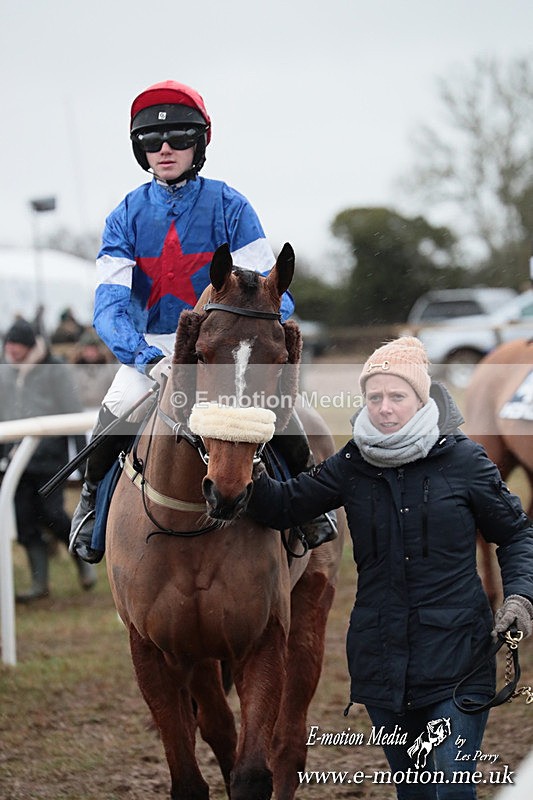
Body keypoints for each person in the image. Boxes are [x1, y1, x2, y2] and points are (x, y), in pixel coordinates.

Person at [246, 336, 533, 799]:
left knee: (452, 789)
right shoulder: (352, 464)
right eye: (374, 396)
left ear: (421, 399)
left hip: (459, 656)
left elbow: (516, 533)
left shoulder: (465, 461)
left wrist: (519, 595)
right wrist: (245, 459)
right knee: (412, 792)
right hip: (381, 662)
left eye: (397, 396)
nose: (384, 407)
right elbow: (284, 506)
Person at [70, 79, 333, 564]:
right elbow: (108, 308)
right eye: (152, 140)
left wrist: (251, 339)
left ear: (200, 144)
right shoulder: (124, 215)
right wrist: (145, 358)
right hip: (151, 349)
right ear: (140, 149)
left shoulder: (231, 205)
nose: (165, 149)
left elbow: (273, 293)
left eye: (178, 138)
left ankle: (306, 507)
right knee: (117, 408)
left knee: (284, 413)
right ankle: (91, 508)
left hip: (227, 346)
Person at [0, 319, 96, 601]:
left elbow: (73, 415)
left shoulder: (54, 369)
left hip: (49, 460)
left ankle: (81, 558)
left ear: (29, 345)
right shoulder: (5, 371)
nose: (11, 349)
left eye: (16, 344)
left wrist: (82, 460)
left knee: (53, 516)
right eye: (8, 344)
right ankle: (39, 583)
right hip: (14, 461)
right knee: (24, 522)